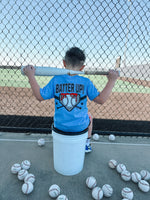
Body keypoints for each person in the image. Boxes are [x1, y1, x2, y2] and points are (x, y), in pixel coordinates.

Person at [23, 47, 119, 153]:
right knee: (89, 116)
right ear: (82, 67)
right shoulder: (85, 82)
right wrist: (112, 80)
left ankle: (63, 141)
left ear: (64, 63)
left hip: (60, 126)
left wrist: (31, 76)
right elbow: (101, 100)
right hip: (80, 127)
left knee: (62, 115)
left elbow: (39, 96)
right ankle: (86, 144)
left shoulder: (56, 80)